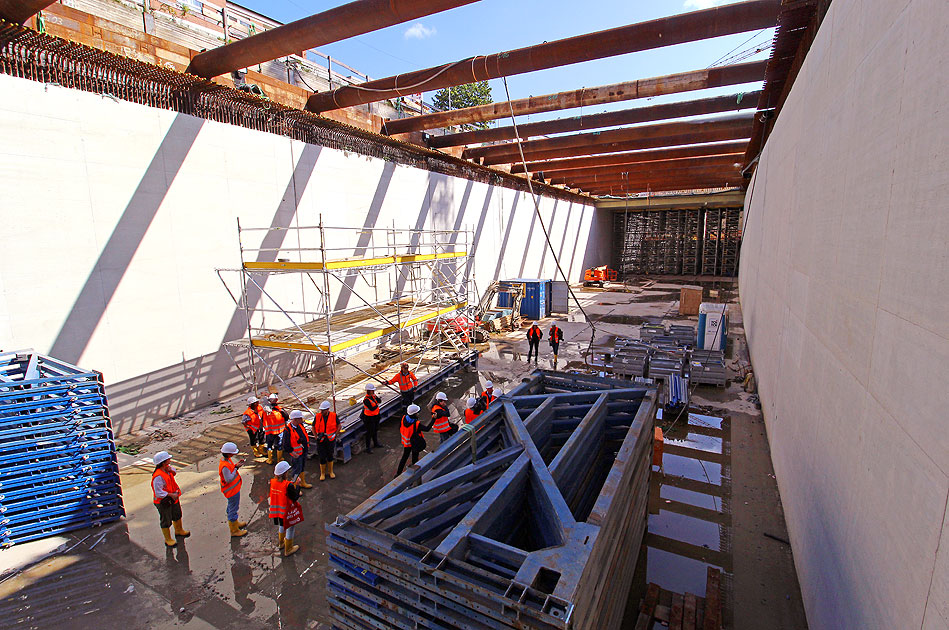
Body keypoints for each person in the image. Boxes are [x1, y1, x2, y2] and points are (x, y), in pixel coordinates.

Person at [151, 451, 189, 547]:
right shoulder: (158, 477)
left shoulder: (167, 470)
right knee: (166, 520)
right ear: (163, 462)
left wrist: (170, 469)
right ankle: (168, 539)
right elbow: (159, 492)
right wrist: (171, 495)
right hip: (164, 501)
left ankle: (179, 530)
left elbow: (174, 472)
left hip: (173, 499)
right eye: (168, 459)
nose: (170, 460)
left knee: (177, 514)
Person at [268, 461, 301, 557]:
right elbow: (294, 497)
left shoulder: (273, 482)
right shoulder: (288, 486)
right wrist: (298, 485)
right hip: (287, 511)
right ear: (285, 473)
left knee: (281, 526)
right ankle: (289, 548)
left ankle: (281, 543)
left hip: (277, 511)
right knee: (290, 529)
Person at [219, 442, 247, 537]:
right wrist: (236, 468)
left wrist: (235, 466)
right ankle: (234, 530)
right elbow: (228, 479)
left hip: (233, 490)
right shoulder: (225, 466)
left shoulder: (227, 461)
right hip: (232, 491)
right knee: (233, 509)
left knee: (232, 507)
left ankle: (235, 523)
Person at [396, 404, 430, 476]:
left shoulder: (403, 418)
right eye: (417, 413)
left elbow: (400, 427)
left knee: (404, 457)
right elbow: (427, 429)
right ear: (414, 414)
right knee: (415, 457)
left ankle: (398, 473)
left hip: (406, 442)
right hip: (414, 443)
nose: (418, 414)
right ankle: (415, 472)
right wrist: (433, 419)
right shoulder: (416, 424)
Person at [282, 410, 312, 489]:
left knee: (301, 468)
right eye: (300, 418)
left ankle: (302, 482)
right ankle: (294, 486)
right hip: (296, 454)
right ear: (295, 419)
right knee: (296, 470)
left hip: (303, 452)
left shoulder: (300, 426)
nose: (302, 419)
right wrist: (293, 453)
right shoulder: (287, 430)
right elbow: (285, 445)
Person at [313, 400, 339, 481]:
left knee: (330, 455)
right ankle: (323, 473)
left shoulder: (333, 416)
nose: (322, 412)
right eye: (321, 410)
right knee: (322, 457)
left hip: (330, 440)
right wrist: (316, 436)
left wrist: (335, 434)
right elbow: (313, 426)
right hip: (321, 440)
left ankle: (330, 472)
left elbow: (339, 426)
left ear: (327, 409)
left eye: (323, 410)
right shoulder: (317, 416)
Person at [361, 383, 382, 453]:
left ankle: (376, 443)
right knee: (369, 433)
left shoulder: (373, 396)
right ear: (369, 391)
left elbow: (379, 401)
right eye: (372, 390)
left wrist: (376, 399)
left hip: (375, 416)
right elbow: (372, 408)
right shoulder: (366, 400)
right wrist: (377, 404)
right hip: (369, 418)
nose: (373, 392)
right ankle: (368, 448)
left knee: (375, 430)